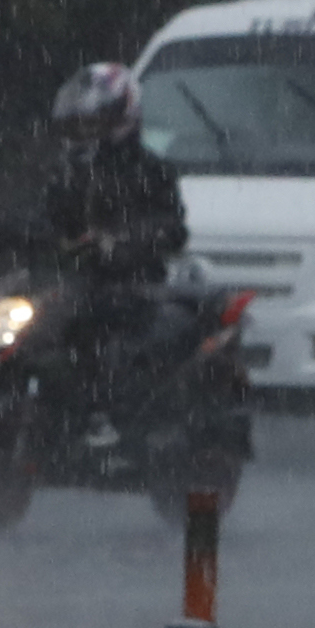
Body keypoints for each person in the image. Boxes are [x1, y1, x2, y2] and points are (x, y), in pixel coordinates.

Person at [36, 60, 188, 391]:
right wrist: (5, 233)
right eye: (80, 123)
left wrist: (117, 244)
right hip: (71, 279)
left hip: (133, 284)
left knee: (99, 327)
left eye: (95, 122)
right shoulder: (68, 171)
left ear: (124, 116)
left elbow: (172, 229)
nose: (87, 131)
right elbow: (42, 214)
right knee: (9, 310)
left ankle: (102, 408)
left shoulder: (151, 171)